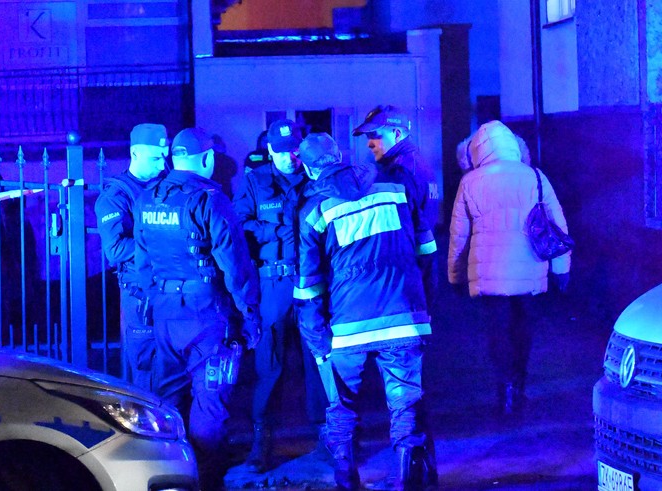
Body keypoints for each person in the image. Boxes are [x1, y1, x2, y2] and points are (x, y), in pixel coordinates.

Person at [294, 133, 438, 491]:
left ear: (310, 171)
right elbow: (427, 250)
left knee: (341, 407)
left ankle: (347, 481)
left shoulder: (314, 210)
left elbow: (308, 288)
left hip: (348, 326)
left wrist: (318, 343)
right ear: (341, 154)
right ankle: (405, 482)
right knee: (405, 402)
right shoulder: (393, 186)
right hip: (403, 315)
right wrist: (423, 307)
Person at [133, 127, 261, 490]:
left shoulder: (149, 197)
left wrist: (150, 304)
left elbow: (143, 263)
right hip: (206, 316)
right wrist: (249, 313)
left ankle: (168, 477)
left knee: (167, 401)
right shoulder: (209, 198)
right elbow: (235, 265)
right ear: (206, 159)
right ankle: (206, 481)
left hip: (164, 314)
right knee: (210, 404)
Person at [447, 120, 571, 415]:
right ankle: (520, 383)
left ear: (477, 150)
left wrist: (455, 275)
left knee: (498, 332)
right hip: (530, 268)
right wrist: (561, 270)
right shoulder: (535, 177)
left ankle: (503, 388)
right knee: (523, 329)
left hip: (488, 276)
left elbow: (458, 235)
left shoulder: (469, 182)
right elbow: (557, 224)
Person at [233, 119, 328, 473]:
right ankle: (262, 441)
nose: (290, 157)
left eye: (294, 149)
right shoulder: (255, 182)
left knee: (316, 362)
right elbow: (239, 223)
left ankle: (326, 436)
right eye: (282, 150)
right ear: (269, 150)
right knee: (268, 366)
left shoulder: (315, 178)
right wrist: (276, 231)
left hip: (312, 282)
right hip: (273, 284)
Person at [94, 123, 169, 392]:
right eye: (155, 157)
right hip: (142, 297)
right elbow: (115, 250)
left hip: (173, 292)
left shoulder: (168, 184)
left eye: (165, 156)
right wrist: (163, 241)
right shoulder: (116, 196)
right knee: (147, 374)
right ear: (135, 154)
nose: (163, 164)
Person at [352, 105, 440, 306]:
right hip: (419, 265)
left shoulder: (400, 172)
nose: (369, 144)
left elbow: (398, 228)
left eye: (374, 135)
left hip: (405, 269)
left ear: (397, 133)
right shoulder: (416, 163)